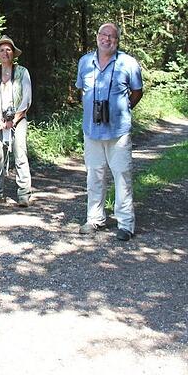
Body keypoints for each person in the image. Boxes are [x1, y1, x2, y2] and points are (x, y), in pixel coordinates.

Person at [75, 22, 144, 241]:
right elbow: (81, 90)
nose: (107, 39)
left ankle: (125, 224)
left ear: (118, 40)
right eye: (104, 35)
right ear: (97, 37)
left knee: (121, 176)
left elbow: (137, 92)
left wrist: (120, 110)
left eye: (112, 37)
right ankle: (94, 219)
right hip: (92, 130)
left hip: (118, 131)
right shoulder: (85, 62)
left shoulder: (128, 63)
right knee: (94, 176)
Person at [0, 36, 32, 207]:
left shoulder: (22, 72)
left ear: (13, 53)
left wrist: (14, 120)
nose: (5, 52)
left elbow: (26, 98)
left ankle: (24, 194)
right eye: (2, 50)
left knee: (20, 154)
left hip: (18, 119)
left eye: (8, 49)